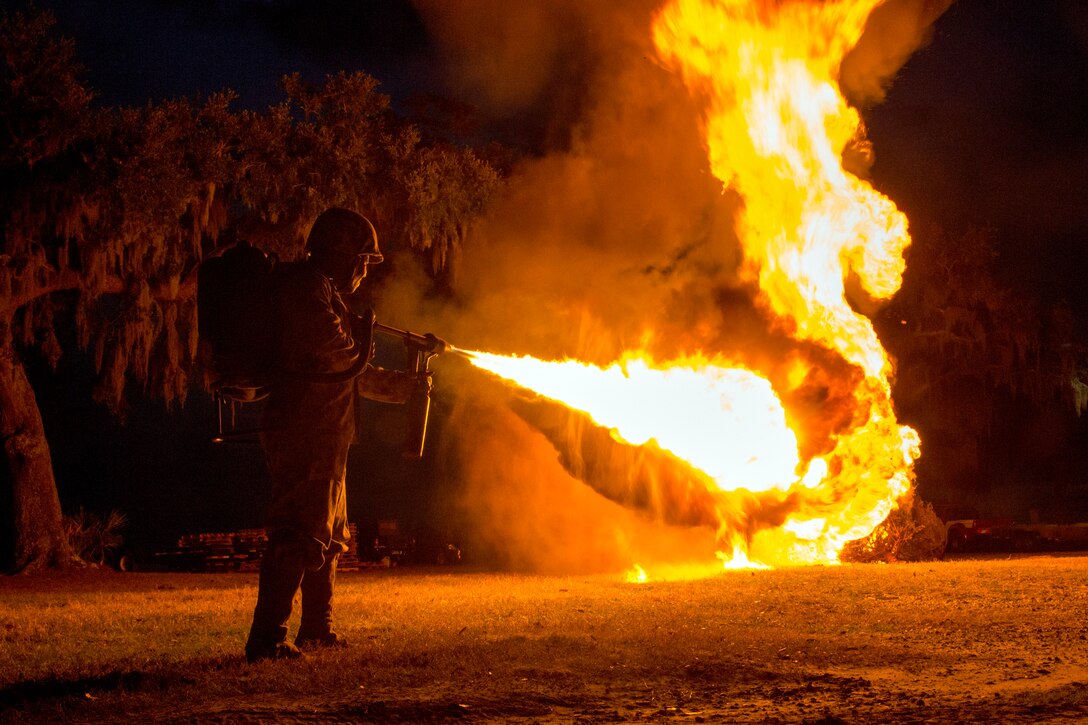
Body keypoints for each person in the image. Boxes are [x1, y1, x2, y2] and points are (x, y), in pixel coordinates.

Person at [245, 207, 412, 663]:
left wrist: (405, 386)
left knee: (330, 533)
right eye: (361, 258)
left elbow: (352, 370)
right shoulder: (303, 291)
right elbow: (342, 360)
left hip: (326, 434)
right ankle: (268, 639)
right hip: (303, 431)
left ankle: (317, 628)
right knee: (299, 532)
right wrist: (365, 343)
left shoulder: (322, 293)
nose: (363, 269)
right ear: (338, 253)